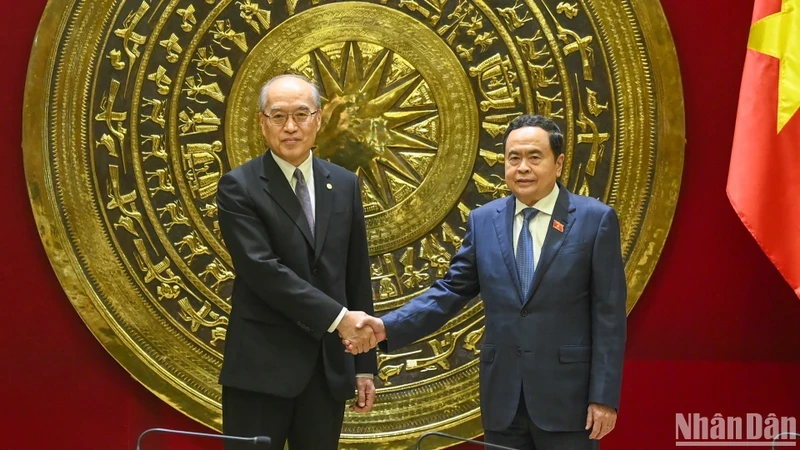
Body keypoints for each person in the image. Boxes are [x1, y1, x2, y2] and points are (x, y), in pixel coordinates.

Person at [346, 115, 627, 450]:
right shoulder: (483, 221)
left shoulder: (595, 221)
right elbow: (450, 291)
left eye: (534, 157)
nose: (522, 167)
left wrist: (604, 397)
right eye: (513, 158)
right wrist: (385, 327)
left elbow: (609, 315)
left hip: (569, 401)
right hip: (503, 401)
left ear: (559, 163)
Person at [217, 74, 377, 450]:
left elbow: (356, 274)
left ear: (318, 119)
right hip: (261, 370)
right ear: (262, 122)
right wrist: (340, 320)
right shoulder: (239, 187)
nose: (291, 127)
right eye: (278, 116)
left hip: (326, 370)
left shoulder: (344, 184)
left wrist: (364, 364)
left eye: (301, 114)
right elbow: (263, 271)